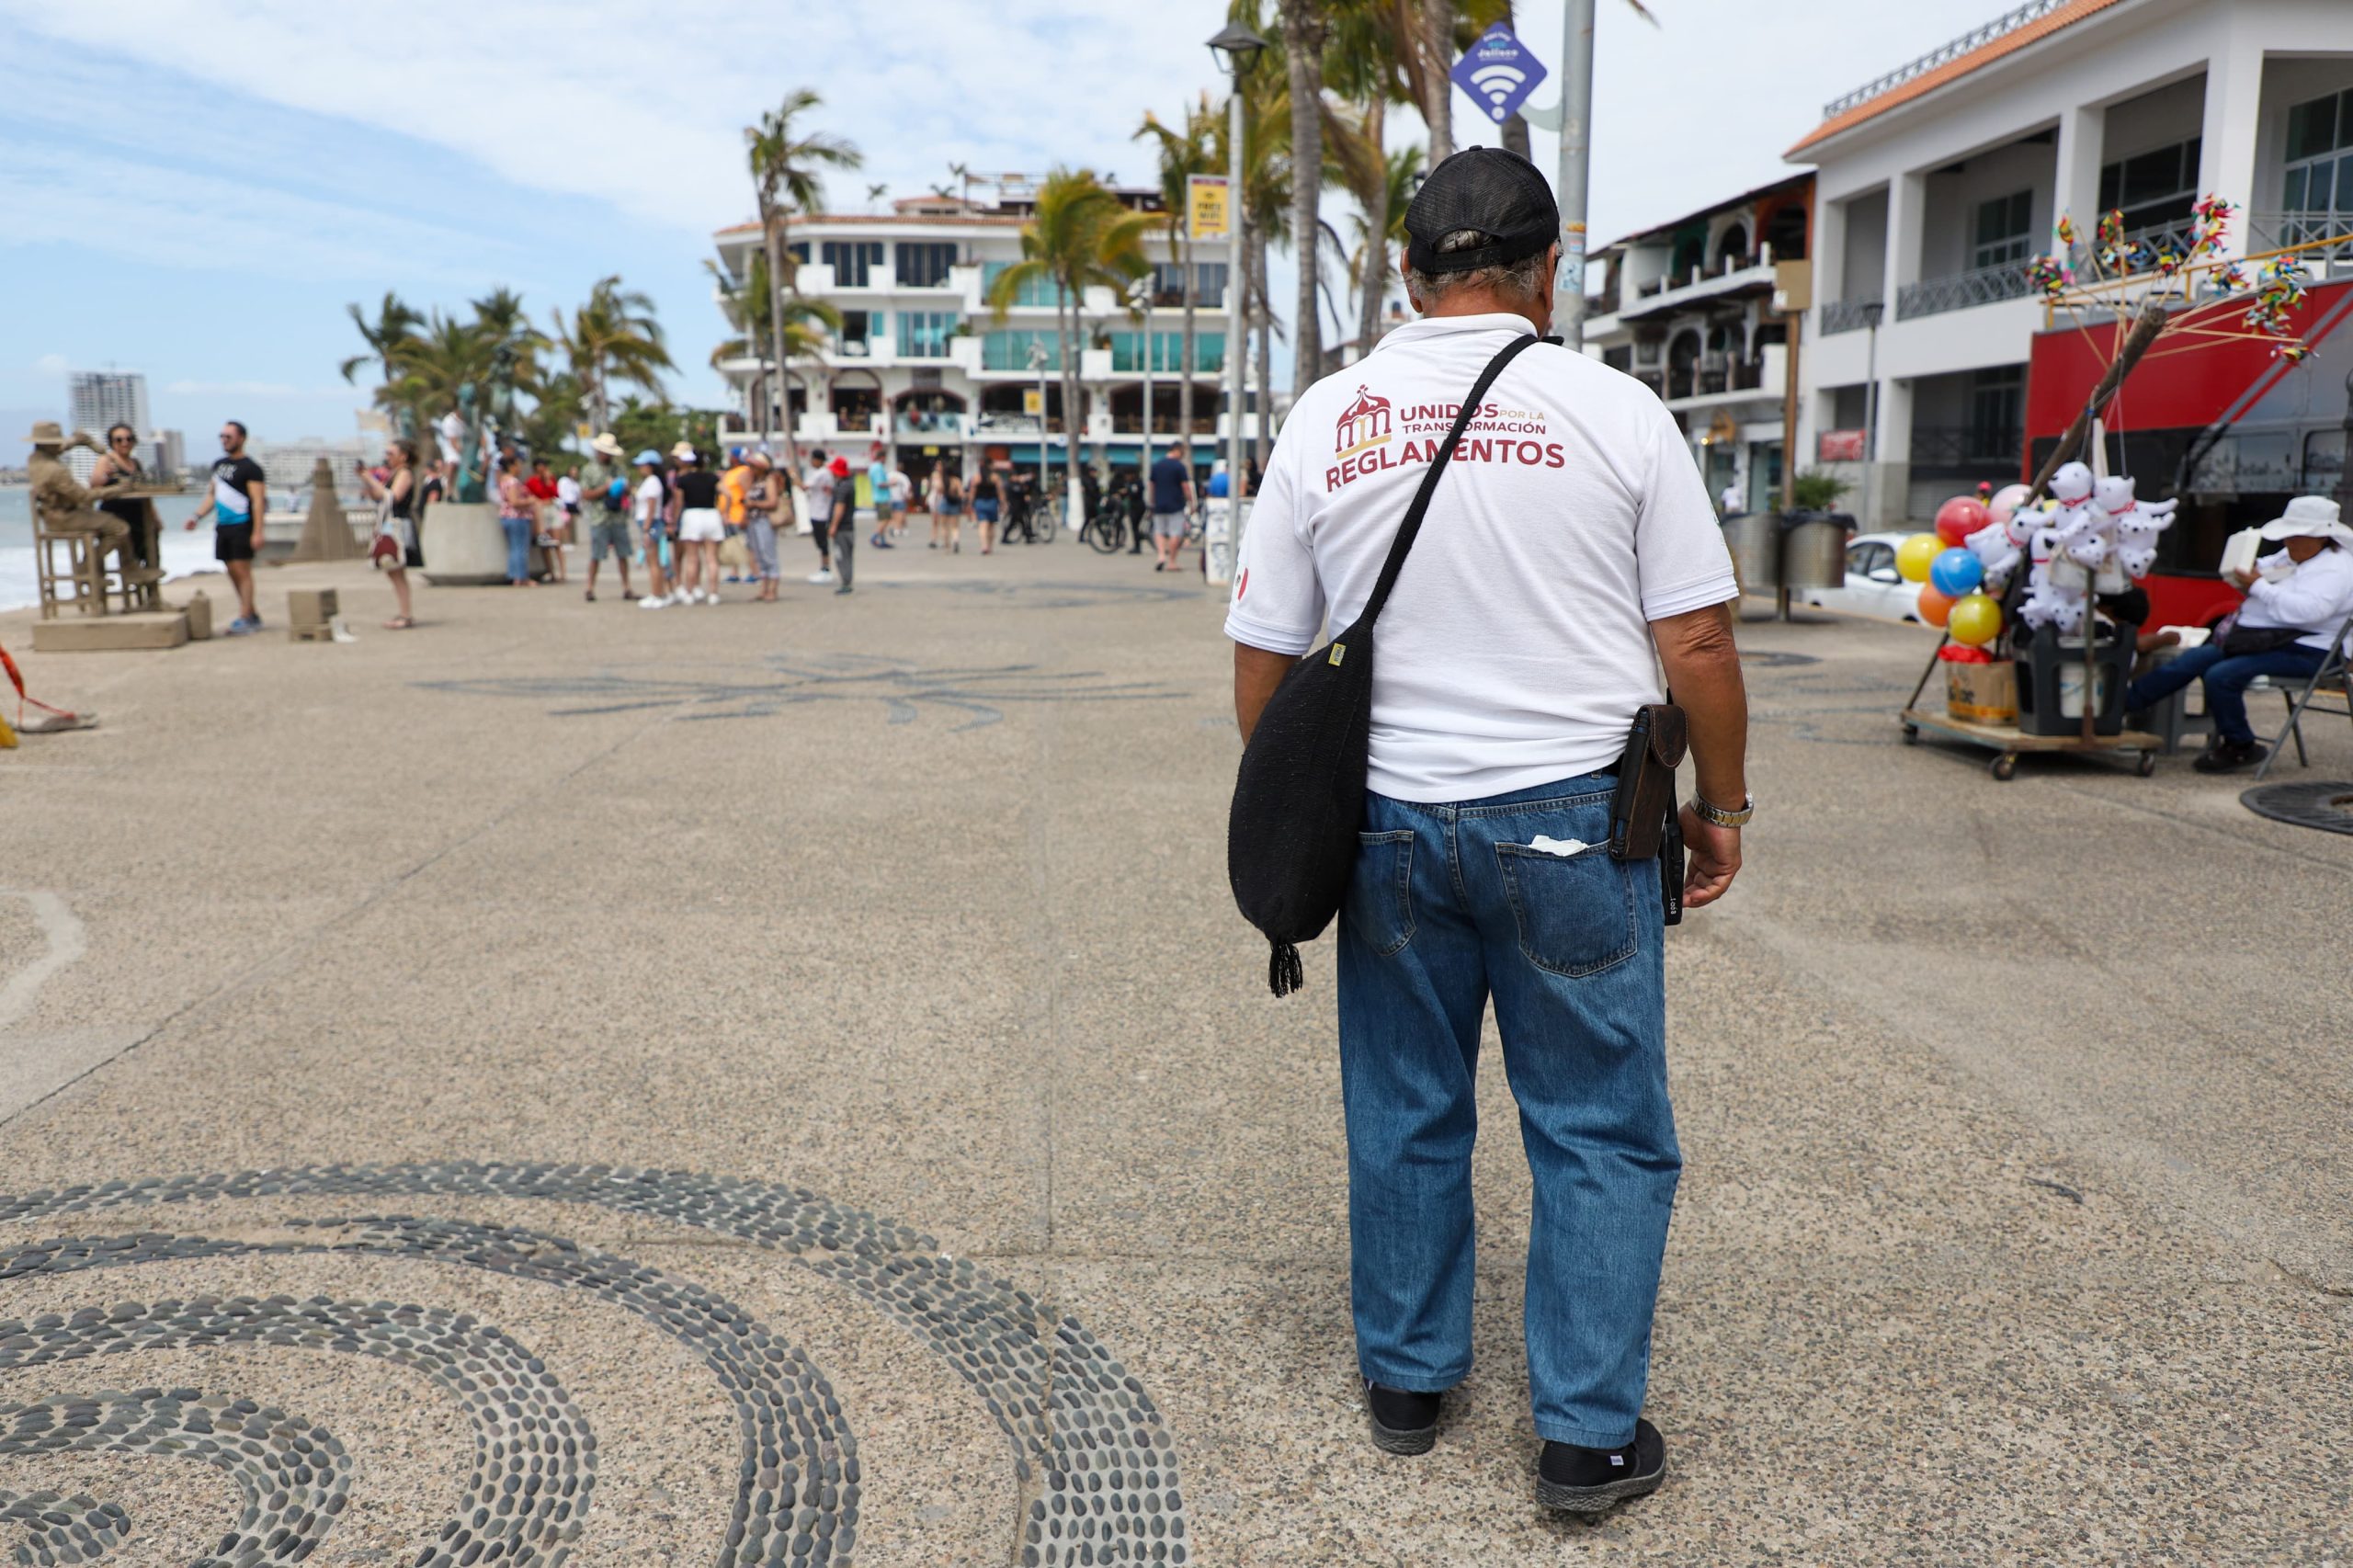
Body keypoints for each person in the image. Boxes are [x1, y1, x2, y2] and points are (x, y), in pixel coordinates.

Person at [1223, 147, 1748, 1515]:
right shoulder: (1619, 411)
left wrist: (1309, 809)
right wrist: (1723, 807)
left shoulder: (1328, 420)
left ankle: (1408, 1379)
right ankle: (1584, 1439)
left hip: (1390, 825)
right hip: (1580, 821)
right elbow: (1694, 637)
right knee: (1597, 1129)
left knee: (1404, 1108)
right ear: (1549, 271)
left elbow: (1265, 657)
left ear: (1409, 271)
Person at [2125, 494, 2353, 773]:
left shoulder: (2337, 569)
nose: (2288, 541)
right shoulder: (2291, 555)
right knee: (2191, 660)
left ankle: (2240, 745)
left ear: (2322, 537)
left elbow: (2308, 612)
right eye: (2287, 535)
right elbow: (2264, 568)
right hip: (2263, 639)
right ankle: (2122, 706)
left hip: (2309, 650)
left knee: (2222, 676)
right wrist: (2246, 572)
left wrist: (2257, 586)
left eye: (2297, 536)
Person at [182, 420, 268, 632]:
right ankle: (251, 612)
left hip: (242, 524)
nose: (224, 440)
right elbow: (213, 494)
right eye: (222, 436)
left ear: (241, 438)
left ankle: (245, 616)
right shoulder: (219, 465)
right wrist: (197, 515)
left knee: (243, 571)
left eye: (228, 436)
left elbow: (258, 501)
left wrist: (257, 531)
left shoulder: (251, 468)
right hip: (223, 526)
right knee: (231, 570)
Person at [361, 436, 424, 629]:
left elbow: (393, 497)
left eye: (391, 453)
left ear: (403, 456)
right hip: (389, 525)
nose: (387, 457)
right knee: (393, 571)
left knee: (396, 570)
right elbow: (380, 496)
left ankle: (405, 615)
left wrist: (368, 478)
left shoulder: (404, 473)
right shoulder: (394, 473)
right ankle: (404, 613)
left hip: (397, 526)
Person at [579, 433, 634, 603]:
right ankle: (589, 587)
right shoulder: (589, 470)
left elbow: (628, 490)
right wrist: (606, 488)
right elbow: (586, 494)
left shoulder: (619, 469)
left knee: (623, 554)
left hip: (618, 516)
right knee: (596, 554)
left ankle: (626, 587)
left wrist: (623, 488)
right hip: (599, 517)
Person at [671, 444, 725, 605]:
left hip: (692, 516)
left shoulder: (683, 479)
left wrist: (675, 521)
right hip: (711, 514)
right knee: (711, 558)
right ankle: (713, 593)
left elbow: (679, 503)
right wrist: (725, 512)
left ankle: (690, 592)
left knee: (692, 558)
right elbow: (727, 494)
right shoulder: (713, 478)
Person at [633, 450, 676, 608]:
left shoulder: (652, 481)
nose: (639, 468)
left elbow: (651, 507)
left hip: (651, 524)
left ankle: (657, 593)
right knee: (654, 561)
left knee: (654, 562)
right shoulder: (652, 481)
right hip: (651, 523)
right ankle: (659, 592)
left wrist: (646, 528)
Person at [1148, 441, 1194, 573]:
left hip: (1159, 503)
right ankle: (1172, 562)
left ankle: (1161, 555)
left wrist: (1152, 501)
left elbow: (1152, 485)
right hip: (1175, 504)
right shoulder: (1179, 466)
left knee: (1159, 531)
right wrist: (1191, 502)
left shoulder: (1157, 465)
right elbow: (1185, 486)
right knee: (1175, 533)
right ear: (1177, 450)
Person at [744, 451, 784, 601]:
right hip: (753, 522)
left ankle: (773, 589)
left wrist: (754, 504)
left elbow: (772, 502)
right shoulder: (754, 482)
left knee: (768, 554)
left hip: (765, 521)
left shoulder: (769, 481)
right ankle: (764, 587)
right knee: (758, 555)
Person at [495, 456, 537, 587]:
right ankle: (521, 577)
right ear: (511, 466)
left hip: (506, 517)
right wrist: (530, 501)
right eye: (518, 465)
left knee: (514, 548)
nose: (520, 468)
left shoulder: (502, 481)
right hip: (517, 518)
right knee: (520, 548)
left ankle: (515, 576)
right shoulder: (513, 482)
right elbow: (514, 502)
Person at [526, 457, 565, 584]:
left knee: (557, 542)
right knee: (546, 544)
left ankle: (563, 571)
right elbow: (534, 493)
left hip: (552, 508)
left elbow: (556, 493)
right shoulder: (532, 481)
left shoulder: (550, 478)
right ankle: (551, 572)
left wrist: (548, 481)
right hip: (541, 510)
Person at [802, 448, 837, 585]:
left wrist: (792, 476)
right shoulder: (825, 473)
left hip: (820, 512)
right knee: (821, 542)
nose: (811, 462)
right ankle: (824, 568)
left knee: (822, 542)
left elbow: (804, 487)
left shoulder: (821, 473)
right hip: (820, 511)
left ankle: (825, 569)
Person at [720, 448, 754, 582]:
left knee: (746, 545)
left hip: (739, 514)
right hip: (730, 515)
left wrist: (745, 514)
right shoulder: (732, 472)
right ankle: (735, 573)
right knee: (734, 545)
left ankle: (753, 572)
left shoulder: (744, 472)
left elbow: (747, 495)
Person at [828, 450, 858, 593]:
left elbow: (839, 508)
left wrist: (833, 526)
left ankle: (845, 583)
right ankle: (847, 581)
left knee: (842, 557)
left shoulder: (842, 487)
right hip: (849, 528)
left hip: (842, 529)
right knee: (848, 556)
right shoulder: (849, 485)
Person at [867, 444, 896, 550]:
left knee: (881, 519)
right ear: (882, 457)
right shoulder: (878, 468)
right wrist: (891, 483)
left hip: (877, 497)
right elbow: (880, 483)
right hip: (882, 498)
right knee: (886, 519)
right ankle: (875, 537)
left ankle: (882, 540)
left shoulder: (873, 467)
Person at [971, 465, 1001, 554]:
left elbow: (973, 491)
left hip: (980, 502)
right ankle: (990, 546)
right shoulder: (995, 477)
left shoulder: (976, 477)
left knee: (982, 525)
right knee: (991, 525)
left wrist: (971, 502)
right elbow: (1000, 490)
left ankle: (984, 546)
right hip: (992, 502)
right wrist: (1003, 502)